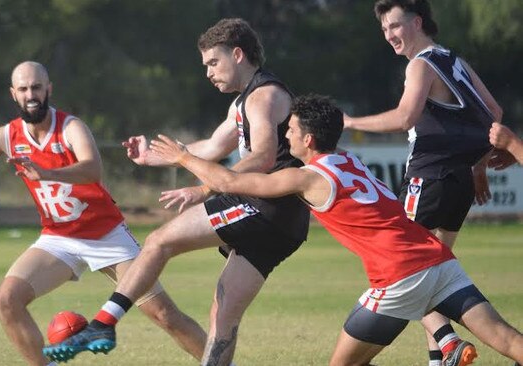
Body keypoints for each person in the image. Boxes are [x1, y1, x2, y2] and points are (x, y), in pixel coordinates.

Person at [150, 93, 523, 366]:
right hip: (438, 261)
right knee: (506, 338)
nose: (287, 136)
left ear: (308, 139)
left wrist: (183, 157)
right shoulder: (348, 161)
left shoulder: (307, 178)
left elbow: (230, 182)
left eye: (292, 130)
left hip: (398, 277)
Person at [0, 61, 208, 366]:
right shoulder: (5, 137)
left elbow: (93, 169)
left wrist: (48, 172)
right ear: (13, 94)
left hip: (106, 235)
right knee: (6, 300)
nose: (30, 95)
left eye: (36, 87)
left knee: (165, 315)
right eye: (23, 89)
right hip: (58, 239)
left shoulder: (71, 126)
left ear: (49, 88)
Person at [43, 18, 310, 365]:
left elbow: (262, 157)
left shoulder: (262, 97)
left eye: (214, 62)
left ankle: (102, 323)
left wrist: (204, 187)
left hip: (263, 206)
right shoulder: (245, 101)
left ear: (239, 54)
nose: (209, 73)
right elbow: (213, 146)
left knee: (158, 241)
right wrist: (152, 157)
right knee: (223, 314)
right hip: (286, 221)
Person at [343, 1, 503, 364]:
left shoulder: (422, 63)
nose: (389, 36)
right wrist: (476, 165)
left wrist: (351, 123)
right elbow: (494, 113)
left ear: (417, 22)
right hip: (457, 181)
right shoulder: (454, 60)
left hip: (427, 179)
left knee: (405, 267)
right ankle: (441, 356)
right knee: (434, 271)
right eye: (384, 30)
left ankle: (447, 341)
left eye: (395, 26)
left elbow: (404, 117)